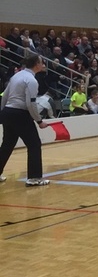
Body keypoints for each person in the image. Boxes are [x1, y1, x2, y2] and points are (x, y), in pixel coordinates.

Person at [0, 53, 51, 186]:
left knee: (7, 144)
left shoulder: (16, 76)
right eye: (42, 62)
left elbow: (5, 96)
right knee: (34, 144)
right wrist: (39, 121)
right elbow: (30, 103)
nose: (43, 65)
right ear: (36, 65)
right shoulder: (32, 80)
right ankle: (34, 178)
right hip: (20, 114)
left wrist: (3, 112)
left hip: (8, 112)